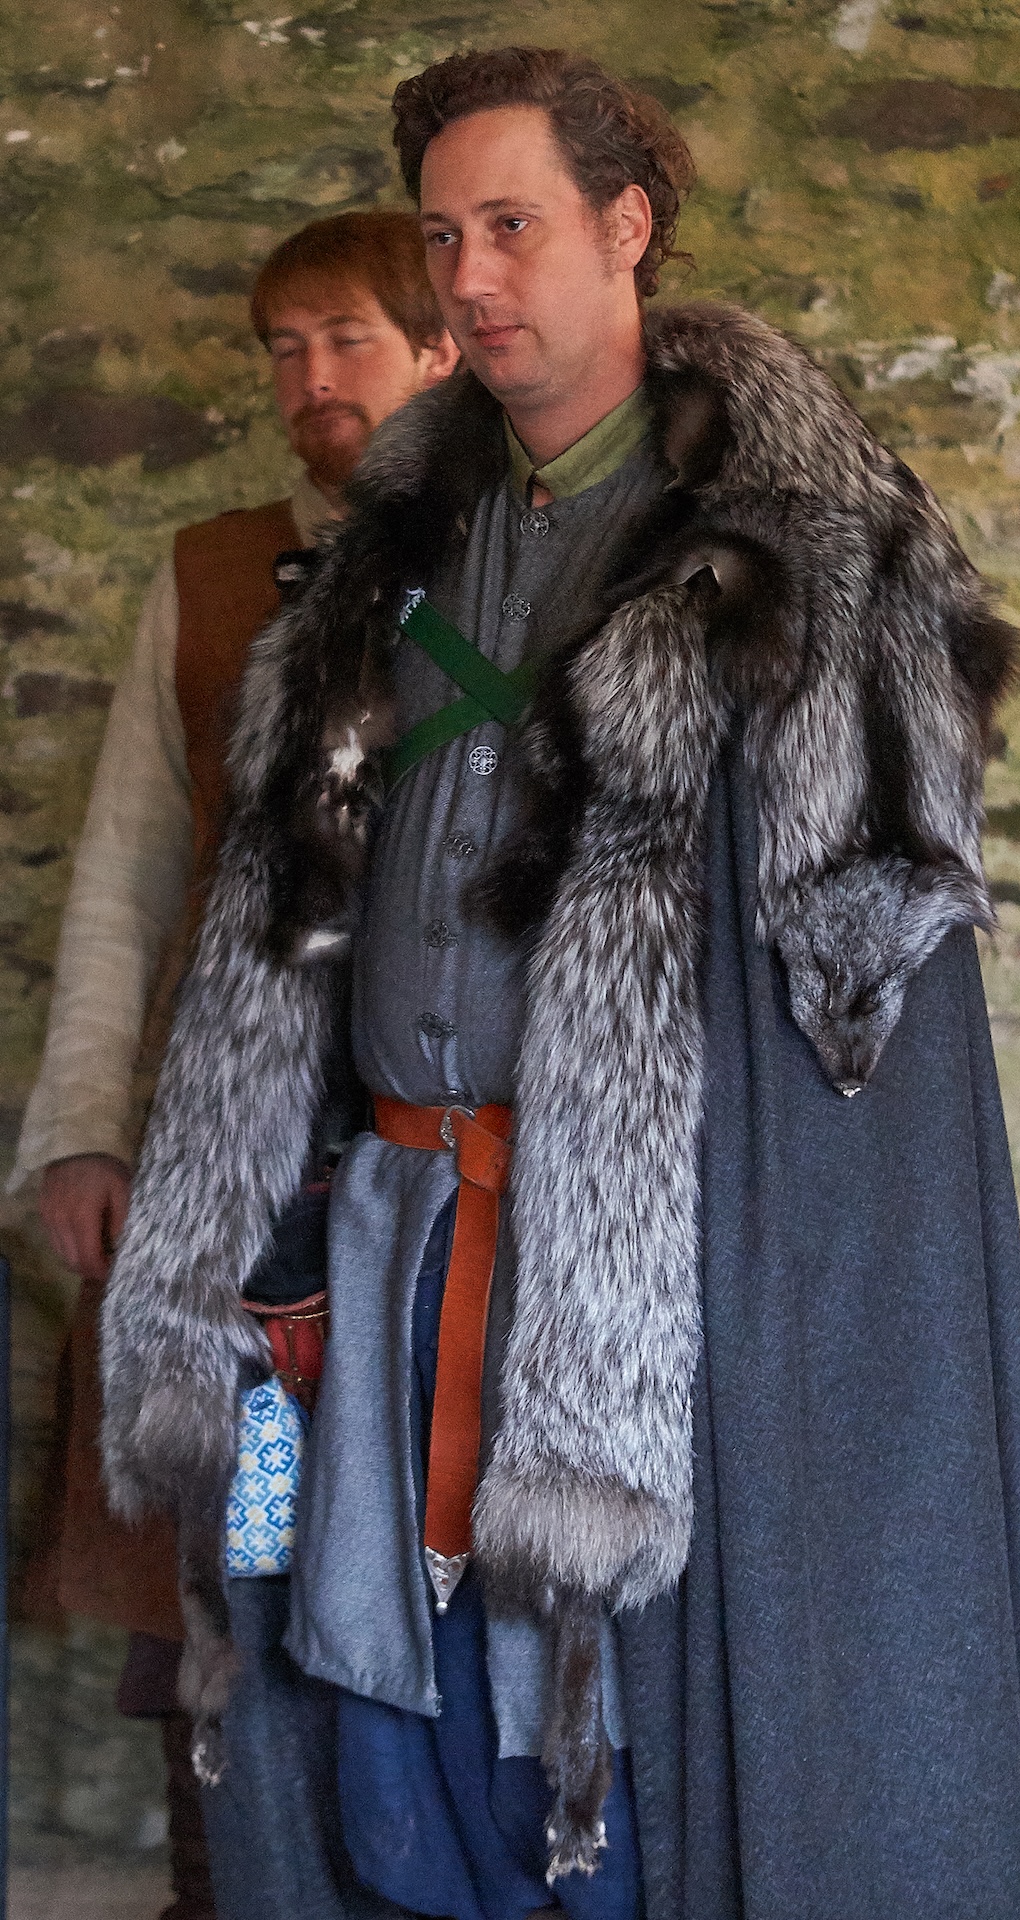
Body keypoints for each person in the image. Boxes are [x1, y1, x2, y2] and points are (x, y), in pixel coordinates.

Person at [101, 47, 1020, 1920]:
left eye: (513, 226)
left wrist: (748, 1300)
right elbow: (291, 915)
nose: (470, 277)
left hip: (655, 1288)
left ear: (625, 227)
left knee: (627, 1791)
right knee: (388, 1764)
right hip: (388, 1240)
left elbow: (861, 1010)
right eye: (441, 237)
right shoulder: (382, 557)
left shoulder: (802, 552)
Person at [13, 206, 456, 1920]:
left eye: (347, 339)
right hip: (222, 1173)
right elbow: (127, 874)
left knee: (421, 1557)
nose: (309, 377)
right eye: (285, 348)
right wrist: (81, 1133)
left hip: (430, 1155)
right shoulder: (209, 575)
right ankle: (230, 1886)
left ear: (439, 350)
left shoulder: (513, 572)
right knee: (223, 1549)